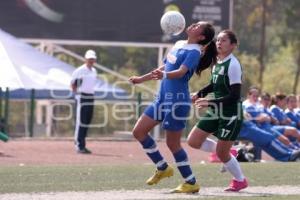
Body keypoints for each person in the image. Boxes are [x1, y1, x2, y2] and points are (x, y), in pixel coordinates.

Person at [129, 21, 217, 193]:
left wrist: (164, 75)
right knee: (138, 132)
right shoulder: (178, 44)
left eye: (198, 26)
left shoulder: (195, 51)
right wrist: (141, 78)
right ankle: (162, 168)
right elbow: (164, 68)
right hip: (162, 99)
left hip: (177, 101)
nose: (193, 25)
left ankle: (191, 182)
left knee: (173, 144)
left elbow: (181, 72)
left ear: (202, 37)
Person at [187, 30, 248, 192]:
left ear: (233, 45)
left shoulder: (233, 64)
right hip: (216, 109)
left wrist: (209, 102)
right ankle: (231, 152)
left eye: (224, 40)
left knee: (222, 153)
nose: (219, 43)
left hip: (230, 113)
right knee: (193, 141)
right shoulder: (218, 62)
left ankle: (240, 180)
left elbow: (234, 96)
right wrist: (199, 93)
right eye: (218, 40)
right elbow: (214, 84)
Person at [71, 50, 98, 154]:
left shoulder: (94, 71)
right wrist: (76, 94)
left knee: (87, 121)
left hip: (90, 96)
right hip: (82, 96)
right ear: (86, 59)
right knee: (81, 122)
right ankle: (79, 145)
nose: (91, 60)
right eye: (89, 59)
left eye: (92, 59)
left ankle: (83, 144)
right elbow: (73, 84)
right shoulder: (80, 70)